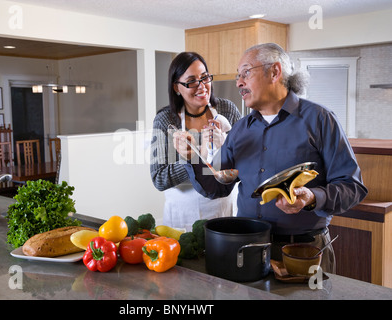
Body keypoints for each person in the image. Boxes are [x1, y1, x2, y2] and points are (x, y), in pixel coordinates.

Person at [176, 43, 368, 273]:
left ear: (275, 72)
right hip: (248, 248)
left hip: (303, 251)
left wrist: (311, 197)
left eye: (246, 73)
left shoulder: (320, 120)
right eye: (238, 76)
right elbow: (217, 185)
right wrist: (191, 158)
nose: (239, 82)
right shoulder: (240, 130)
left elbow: (352, 187)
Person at [150, 52, 241, 232]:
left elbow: (247, 159)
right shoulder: (166, 121)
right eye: (191, 81)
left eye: (205, 77)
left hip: (223, 212)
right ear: (177, 87)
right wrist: (192, 159)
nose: (202, 86)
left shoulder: (227, 110)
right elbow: (159, 179)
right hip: (182, 219)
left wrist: (228, 147)